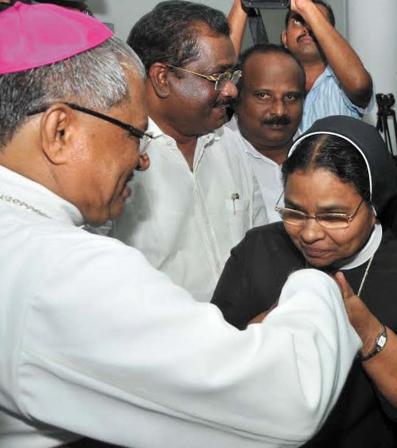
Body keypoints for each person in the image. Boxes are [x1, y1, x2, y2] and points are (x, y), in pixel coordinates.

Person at [0, 3, 359, 447]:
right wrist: (314, 286)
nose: (143, 156)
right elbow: (290, 396)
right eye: (132, 133)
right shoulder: (61, 270)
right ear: (59, 131)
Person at [212, 116, 397, 447]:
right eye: (294, 211)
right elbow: (213, 367)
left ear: (374, 206)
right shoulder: (257, 251)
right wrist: (267, 328)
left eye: (334, 216)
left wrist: (368, 333)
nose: (310, 233)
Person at [111, 1, 267, 302]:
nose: (231, 90)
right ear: (162, 78)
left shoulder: (230, 143)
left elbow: (260, 242)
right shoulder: (118, 157)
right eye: (216, 78)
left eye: (232, 76)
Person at [229, 0, 372, 133]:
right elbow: (222, 78)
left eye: (314, 21)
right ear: (284, 38)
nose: (307, 28)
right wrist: (240, 4)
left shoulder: (341, 85)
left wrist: (305, 6)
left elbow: (359, 85)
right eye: (298, 21)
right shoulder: (266, 80)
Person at [225, 43, 305, 223]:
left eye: (290, 97)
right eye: (263, 95)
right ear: (236, 98)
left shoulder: (321, 155)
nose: (279, 111)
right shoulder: (212, 154)